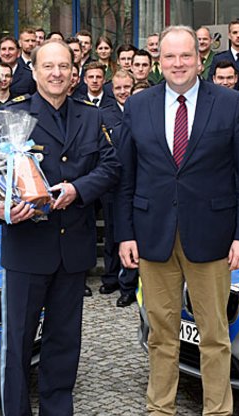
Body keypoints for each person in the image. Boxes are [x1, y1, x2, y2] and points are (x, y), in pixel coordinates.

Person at [115, 25, 239, 416]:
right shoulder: (139, 106)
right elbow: (126, 177)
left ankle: (217, 414)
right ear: (158, 62)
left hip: (212, 237)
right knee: (161, 333)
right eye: (169, 57)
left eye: (185, 56)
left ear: (200, 59)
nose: (178, 64)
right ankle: (159, 412)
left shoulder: (229, 104)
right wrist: (125, 233)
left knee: (214, 334)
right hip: (153, 235)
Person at [0, 39, 120, 416]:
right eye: (49, 66)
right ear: (36, 70)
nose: (57, 73)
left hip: (72, 250)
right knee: (17, 347)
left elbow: (111, 168)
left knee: (63, 348)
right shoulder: (13, 117)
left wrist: (79, 189)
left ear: (73, 72)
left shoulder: (92, 117)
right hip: (27, 249)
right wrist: (0, 208)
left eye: (64, 66)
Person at [99, 69, 138, 307]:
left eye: (127, 87)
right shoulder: (104, 115)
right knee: (114, 233)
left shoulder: (143, 111)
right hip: (113, 183)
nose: (123, 92)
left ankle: (130, 284)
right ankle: (112, 277)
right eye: (119, 88)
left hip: (139, 182)